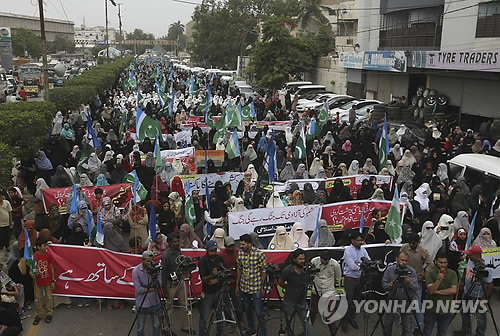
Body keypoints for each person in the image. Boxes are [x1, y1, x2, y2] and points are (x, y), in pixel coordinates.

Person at [236, 234, 267, 336]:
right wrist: (237, 286)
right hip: (244, 287)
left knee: (259, 312)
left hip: (256, 288)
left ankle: (263, 332)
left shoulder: (259, 254)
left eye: (243, 244)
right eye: (240, 244)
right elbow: (239, 270)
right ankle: (252, 329)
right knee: (248, 311)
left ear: (249, 244)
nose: (241, 246)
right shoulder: (240, 254)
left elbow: (263, 271)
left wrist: (263, 286)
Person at [458, 246, 493, 336]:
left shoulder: (486, 267)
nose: (469, 256)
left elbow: (490, 284)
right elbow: (466, 270)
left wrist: (484, 298)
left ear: (477, 255)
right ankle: (465, 331)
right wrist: (462, 280)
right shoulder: (470, 261)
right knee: (464, 312)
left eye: (471, 255)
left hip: (479, 295)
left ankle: (480, 334)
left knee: (480, 317)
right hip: (467, 292)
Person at [382, 251, 419, 336]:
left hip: (407, 301)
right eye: (402, 260)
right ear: (397, 259)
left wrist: (410, 283)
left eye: (406, 261)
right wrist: (390, 285)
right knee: (388, 324)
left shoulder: (411, 271)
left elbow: (416, 288)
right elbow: (384, 285)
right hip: (392, 300)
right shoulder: (390, 270)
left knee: (407, 327)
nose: (404, 263)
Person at [160, 232, 190, 334]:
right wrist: (165, 289)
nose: (176, 243)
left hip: (180, 281)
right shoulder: (165, 256)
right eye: (174, 242)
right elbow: (163, 274)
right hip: (170, 284)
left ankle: (185, 326)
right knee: (169, 307)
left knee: (184, 304)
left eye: (177, 241)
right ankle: (166, 328)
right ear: (169, 242)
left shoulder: (178, 250)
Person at [279, 248, 312, 336]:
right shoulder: (287, 270)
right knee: (290, 324)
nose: (302, 261)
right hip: (290, 301)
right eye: (300, 259)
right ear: (294, 259)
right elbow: (281, 283)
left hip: (302, 301)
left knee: (307, 323)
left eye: (303, 259)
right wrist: (289, 288)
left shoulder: (306, 271)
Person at [422, 253, 458, 336]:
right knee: (427, 331)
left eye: (445, 263)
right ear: (435, 261)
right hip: (431, 308)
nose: (443, 265)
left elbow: (453, 290)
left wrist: (437, 292)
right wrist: (438, 280)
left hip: (446, 308)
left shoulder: (452, 273)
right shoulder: (430, 273)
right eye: (441, 262)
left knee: (442, 332)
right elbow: (431, 290)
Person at [341, 230, 369, 331]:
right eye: (358, 240)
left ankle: (351, 318)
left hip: (359, 279)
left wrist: (360, 265)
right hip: (350, 279)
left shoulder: (363, 250)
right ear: (352, 240)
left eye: (361, 240)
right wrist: (362, 265)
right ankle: (344, 322)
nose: (360, 242)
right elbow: (352, 266)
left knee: (356, 301)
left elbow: (368, 261)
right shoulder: (348, 250)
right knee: (348, 301)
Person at [309, 250, 341, 335]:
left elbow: (338, 278)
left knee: (329, 313)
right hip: (316, 289)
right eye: (323, 259)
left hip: (329, 290)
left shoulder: (335, 265)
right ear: (320, 258)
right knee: (313, 311)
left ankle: (334, 333)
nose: (325, 261)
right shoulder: (314, 261)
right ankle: (307, 330)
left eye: (327, 259)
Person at [132, 251, 162, 336]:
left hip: (155, 302)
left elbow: (160, 284)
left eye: (151, 261)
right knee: (140, 327)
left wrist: (154, 275)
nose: (150, 263)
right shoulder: (136, 271)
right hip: (142, 303)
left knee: (157, 325)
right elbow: (139, 289)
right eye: (147, 261)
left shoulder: (156, 269)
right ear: (142, 260)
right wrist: (153, 288)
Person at [198, 240, 224, 336]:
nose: (214, 253)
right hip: (208, 293)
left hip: (218, 290)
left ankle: (220, 333)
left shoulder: (219, 259)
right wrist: (211, 275)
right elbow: (203, 279)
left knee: (219, 314)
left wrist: (217, 279)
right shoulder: (202, 261)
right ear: (207, 250)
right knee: (204, 316)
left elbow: (222, 273)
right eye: (211, 251)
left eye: (215, 250)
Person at [32, 237, 55, 325]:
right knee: (38, 299)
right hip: (37, 282)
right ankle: (39, 314)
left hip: (48, 281)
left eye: (46, 245)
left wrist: (53, 280)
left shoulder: (48, 255)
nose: (46, 247)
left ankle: (49, 313)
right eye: (44, 246)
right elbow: (31, 270)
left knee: (49, 298)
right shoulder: (33, 257)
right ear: (38, 247)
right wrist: (32, 273)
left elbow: (52, 267)